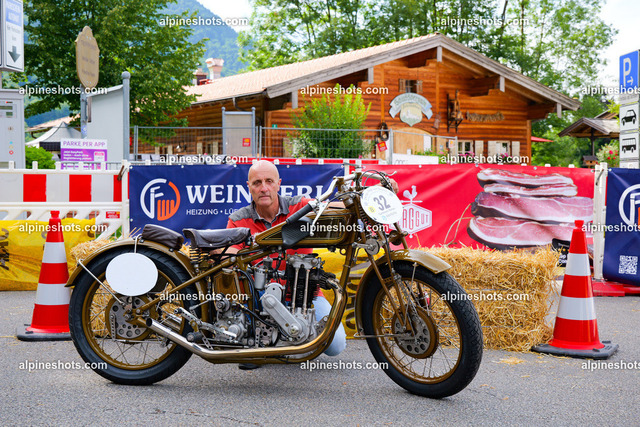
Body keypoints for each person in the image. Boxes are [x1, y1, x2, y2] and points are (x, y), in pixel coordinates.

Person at [226, 160, 347, 368]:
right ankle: (261, 347)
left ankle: (283, 340)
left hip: (304, 295)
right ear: (249, 187)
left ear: (278, 184)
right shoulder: (238, 220)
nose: (264, 188)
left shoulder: (300, 207)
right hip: (261, 299)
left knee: (336, 345)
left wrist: (366, 199)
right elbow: (228, 254)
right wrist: (227, 253)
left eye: (269, 181)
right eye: (257, 183)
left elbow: (332, 207)